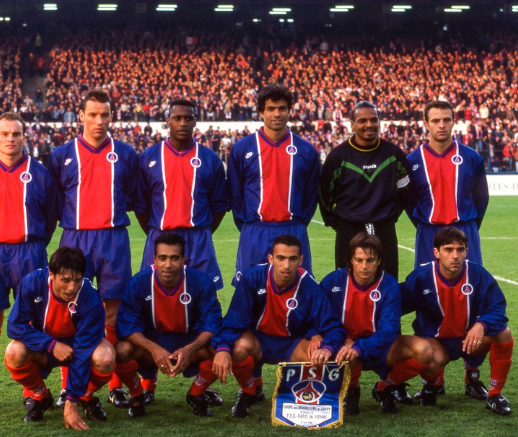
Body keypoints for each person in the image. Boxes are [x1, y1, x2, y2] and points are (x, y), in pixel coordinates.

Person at [49, 89, 140, 410]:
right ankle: (66, 386)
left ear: (112, 116)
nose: (98, 121)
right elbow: (54, 198)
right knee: (69, 313)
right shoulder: (62, 154)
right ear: (81, 117)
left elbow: (133, 196)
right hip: (74, 239)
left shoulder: (127, 154)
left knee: (113, 313)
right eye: (93, 114)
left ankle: (114, 385)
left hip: (113, 239)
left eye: (104, 115)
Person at [0, 112, 58, 414]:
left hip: (30, 253)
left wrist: (33, 244)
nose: (10, 139)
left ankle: (32, 391)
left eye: (16, 134)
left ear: (24, 136)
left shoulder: (40, 173)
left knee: (30, 323)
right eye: (4, 134)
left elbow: (50, 216)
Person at [211, 234, 344, 418]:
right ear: (271, 258)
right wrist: (223, 348)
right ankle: (250, 391)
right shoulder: (253, 278)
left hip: (292, 344)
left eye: (292, 259)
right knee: (238, 347)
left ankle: (304, 398)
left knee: (319, 352)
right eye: (280, 258)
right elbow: (235, 319)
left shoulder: (310, 286)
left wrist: (325, 345)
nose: (286, 265)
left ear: (301, 260)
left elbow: (333, 327)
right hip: (259, 340)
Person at [400, 227, 515, 415]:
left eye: (460, 249)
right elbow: (397, 305)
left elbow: (498, 307)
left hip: (468, 339)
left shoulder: (477, 274)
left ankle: (493, 393)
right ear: (436, 252)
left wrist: (481, 324)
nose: (455, 255)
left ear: (466, 252)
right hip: (436, 342)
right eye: (448, 249)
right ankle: (433, 384)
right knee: (426, 354)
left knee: (503, 332)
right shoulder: (421, 277)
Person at [320, 233, 438, 414]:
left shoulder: (389, 285)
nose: (364, 266)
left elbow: (389, 330)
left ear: (379, 260)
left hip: (381, 345)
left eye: (370, 260)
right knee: (340, 351)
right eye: (359, 260)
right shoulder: (332, 281)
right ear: (351, 259)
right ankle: (352, 391)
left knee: (424, 350)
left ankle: (385, 386)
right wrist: (341, 344)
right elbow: (321, 320)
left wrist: (359, 347)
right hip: (345, 344)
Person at [115, 234, 224, 418]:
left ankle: (196, 394)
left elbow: (212, 323)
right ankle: (136, 396)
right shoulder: (140, 282)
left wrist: (190, 349)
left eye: (174, 258)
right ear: (154, 259)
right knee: (121, 350)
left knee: (221, 350)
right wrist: (154, 348)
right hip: (152, 343)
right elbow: (126, 323)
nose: (168, 265)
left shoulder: (200, 281)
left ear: (183, 260)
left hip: (189, 341)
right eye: (162, 258)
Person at [4, 246, 114, 428]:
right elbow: (15, 326)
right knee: (14, 352)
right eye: (65, 280)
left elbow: (83, 349)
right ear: (51, 274)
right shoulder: (32, 283)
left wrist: (70, 401)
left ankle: (84, 396)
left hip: (79, 346)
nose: (72, 287)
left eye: (77, 280)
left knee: (105, 356)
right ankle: (41, 396)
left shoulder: (91, 298)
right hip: (45, 344)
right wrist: (51, 344)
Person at [227, 84, 320, 283]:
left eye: (282, 108)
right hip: (254, 230)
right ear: (261, 112)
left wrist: (298, 222)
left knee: (296, 289)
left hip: (292, 228)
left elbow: (311, 195)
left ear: (289, 111)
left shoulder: (306, 150)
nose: (277, 114)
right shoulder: (242, 148)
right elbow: (235, 195)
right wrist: (247, 226)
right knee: (251, 291)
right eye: (271, 108)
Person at [134, 99, 229, 288]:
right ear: (168, 121)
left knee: (203, 297)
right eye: (177, 118)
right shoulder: (148, 157)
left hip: (199, 238)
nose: (183, 123)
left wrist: (203, 232)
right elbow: (141, 206)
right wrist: (160, 234)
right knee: (155, 296)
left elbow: (219, 207)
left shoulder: (210, 159)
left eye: (188, 118)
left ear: (195, 122)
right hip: (160, 236)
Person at [319, 101, 412, 279]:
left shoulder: (393, 154)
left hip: (384, 228)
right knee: (346, 284)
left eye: (373, 120)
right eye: (362, 121)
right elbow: (324, 195)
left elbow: (405, 187)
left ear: (379, 122)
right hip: (349, 230)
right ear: (352, 125)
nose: (369, 125)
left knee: (387, 282)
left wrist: (392, 214)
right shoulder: (338, 157)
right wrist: (340, 223)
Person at [406, 100, 489, 267]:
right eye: (436, 121)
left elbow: (482, 198)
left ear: (453, 122)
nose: (441, 125)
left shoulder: (471, 158)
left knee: (468, 286)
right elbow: (409, 201)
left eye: (446, 120)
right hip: (429, 233)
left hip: (464, 230)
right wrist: (424, 224)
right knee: (426, 288)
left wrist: (469, 226)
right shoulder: (412, 161)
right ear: (426, 124)